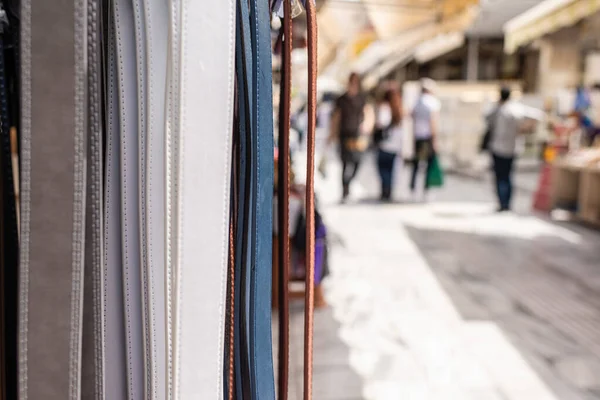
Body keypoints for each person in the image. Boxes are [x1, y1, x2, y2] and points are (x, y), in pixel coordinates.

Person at [489, 86, 544, 212]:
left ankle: (503, 203)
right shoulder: (517, 108)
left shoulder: (500, 109)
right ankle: (506, 203)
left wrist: (524, 129)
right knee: (508, 176)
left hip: (499, 147)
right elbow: (538, 115)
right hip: (512, 147)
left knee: (500, 177)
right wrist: (524, 128)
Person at [328, 72, 374, 201]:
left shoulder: (362, 98)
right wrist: (332, 135)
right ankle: (344, 190)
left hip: (358, 136)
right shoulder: (341, 99)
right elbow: (336, 118)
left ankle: (349, 182)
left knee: (357, 161)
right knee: (344, 163)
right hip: (344, 135)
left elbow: (368, 113)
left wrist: (367, 127)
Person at [410, 78, 440, 200]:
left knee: (416, 164)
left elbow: (412, 118)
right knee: (429, 164)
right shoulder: (433, 102)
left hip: (417, 136)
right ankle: (426, 189)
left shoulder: (416, 102)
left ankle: (412, 188)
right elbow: (433, 123)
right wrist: (435, 141)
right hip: (428, 137)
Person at [375, 87, 403, 201]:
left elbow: (380, 124)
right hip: (395, 146)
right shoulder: (399, 109)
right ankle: (389, 191)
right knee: (391, 170)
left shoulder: (384, 108)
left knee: (383, 169)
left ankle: (385, 191)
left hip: (384, 144)